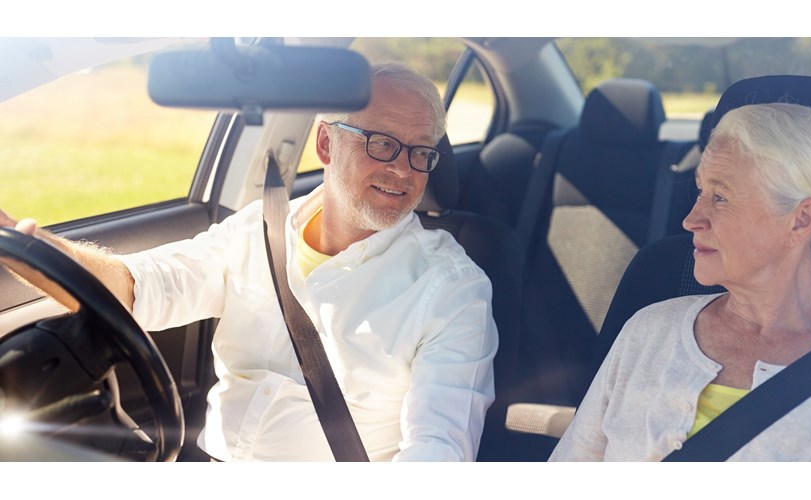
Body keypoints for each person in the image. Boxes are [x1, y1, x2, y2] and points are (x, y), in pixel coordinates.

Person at [0, 63, 499, 462]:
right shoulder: (259, 228)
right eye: (383, 144)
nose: (402, 169)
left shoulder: (453, 289)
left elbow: (438, 450)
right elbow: (141, 287)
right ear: (326, 143)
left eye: (420, 153)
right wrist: (30, 245)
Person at [549, 102, 811, 461]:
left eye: (721, 198)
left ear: (801, 220)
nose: (691, 219)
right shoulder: (648, 332)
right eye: (700, 192)